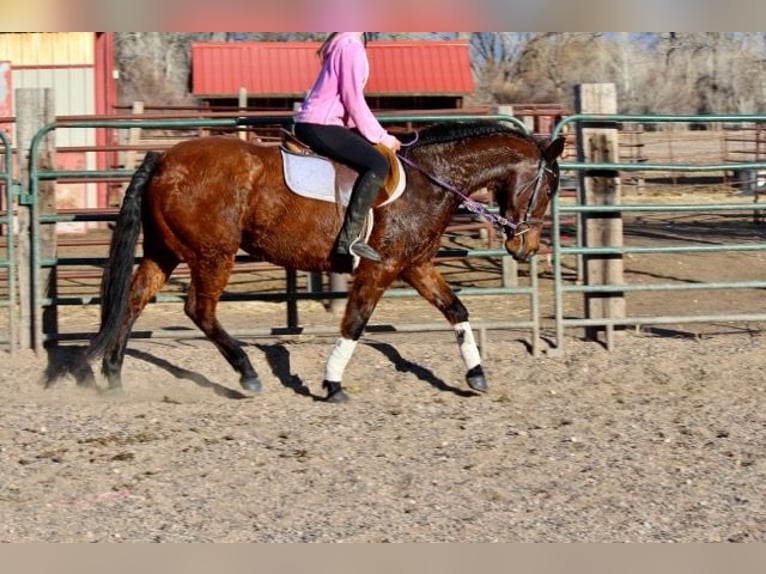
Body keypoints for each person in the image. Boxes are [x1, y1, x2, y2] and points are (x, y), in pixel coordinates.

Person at [294, 32, 402, 265]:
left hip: (321, 122)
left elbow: (346, 102)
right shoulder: (350, 45)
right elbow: (353, 99)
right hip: (321, 124)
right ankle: (349, 238)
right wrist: (381, 137)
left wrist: (369, 135)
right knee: (378, 163)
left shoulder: (345, 42)